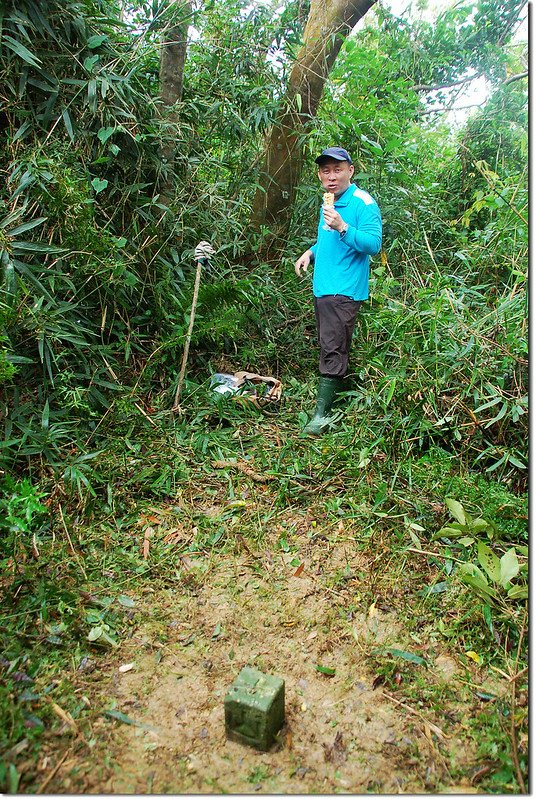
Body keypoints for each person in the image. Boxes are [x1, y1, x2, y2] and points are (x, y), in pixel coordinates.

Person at [295, 146, 382, 435]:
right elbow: (328, 241)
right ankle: (332, 401)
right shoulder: (330, 202)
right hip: (324, 287)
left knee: (332, 347)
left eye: (337, 170)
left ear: (350, 171)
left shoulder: (362, 203)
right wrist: (310, 252)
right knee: (330, 343)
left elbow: (373, 244)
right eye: (325, 170)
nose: (330, 176)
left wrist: (344, 226)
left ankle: (322, 415)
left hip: (343, 289)